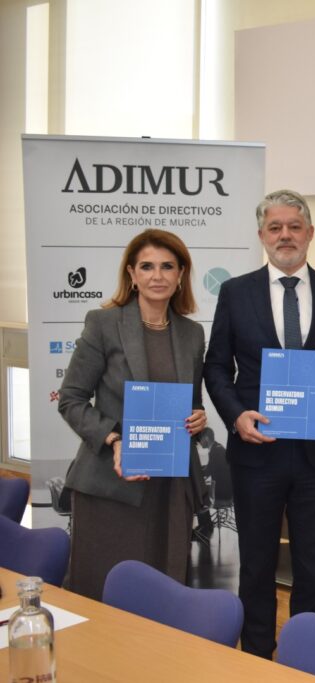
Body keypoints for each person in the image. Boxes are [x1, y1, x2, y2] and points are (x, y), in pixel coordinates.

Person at [203, 189, 315, 658]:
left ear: (310, 233)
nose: (285, 235)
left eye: (294, 226)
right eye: (275, 227)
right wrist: (235, 415)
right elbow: (215, 367)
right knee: (257, 564)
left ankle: (306, 656)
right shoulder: (235, 292)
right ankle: (256, 658)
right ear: (261, 236)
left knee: (314, 563)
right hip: (257, 448)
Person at [58, 229, 207, 600]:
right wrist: (115, 438)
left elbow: (193, 400)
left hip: (171, 489)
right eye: (147, 266)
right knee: (103, 593)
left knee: (162, 596)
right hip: (112, 483)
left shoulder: (192, 334)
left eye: (167, 266)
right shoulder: (103, 324)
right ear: (131, 274)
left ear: (181, 275)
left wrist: (198, 417)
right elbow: (71, 398)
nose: (157, 275)